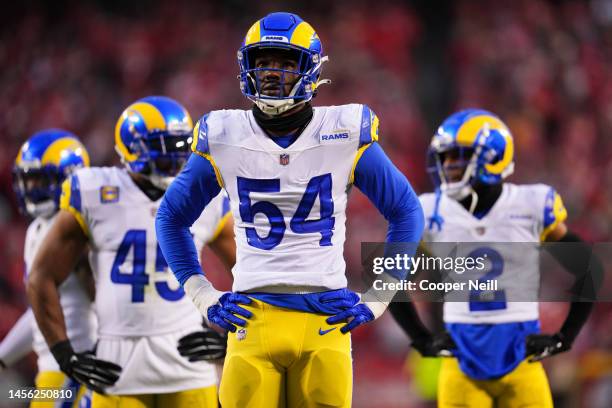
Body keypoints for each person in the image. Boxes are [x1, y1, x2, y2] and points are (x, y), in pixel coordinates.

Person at [156, 12, 424, 408]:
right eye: (263, 62)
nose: (270, 73)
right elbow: (171, 217)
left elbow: (406, 210)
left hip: (325, 319)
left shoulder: (345, 130)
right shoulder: (223, 134)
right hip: (252, 316)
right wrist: (202, 293)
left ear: (311, 70)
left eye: (284, 62)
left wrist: (379, 295)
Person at [27, 96, 235, 407]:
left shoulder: (208, 197)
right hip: (117, 368)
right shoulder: (95, 192)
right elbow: (41, 277)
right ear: (130, 147)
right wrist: (64, 354)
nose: (172, 158)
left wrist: (230, 340)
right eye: (160, 148)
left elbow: (254, 270)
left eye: (178, 146)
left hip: (189, 368)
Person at [389, 109, 601, 407]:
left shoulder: (531, 205)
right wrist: (419, 337)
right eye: (445, 157)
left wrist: (566, 335)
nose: (448, 166)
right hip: (461, 365)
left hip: (522, 361)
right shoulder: (430, 212)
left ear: (493, 157)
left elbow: (588, 266)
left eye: (458, 156)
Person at [0, 129, 96, 407]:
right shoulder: (37, 230)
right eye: (28, 180)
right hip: (54, 369)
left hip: (77, 366)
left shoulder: (83, 228)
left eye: (41, 180)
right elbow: (40, 310)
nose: (31, 189)